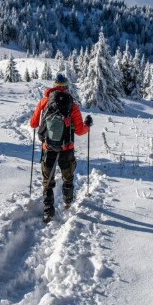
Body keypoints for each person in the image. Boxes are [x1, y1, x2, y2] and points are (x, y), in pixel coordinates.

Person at [30, 73, 93, 222]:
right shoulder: (72, 105)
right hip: (66, 148)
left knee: (48, 181)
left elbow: (33, 124)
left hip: (49, 147)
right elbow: (80, 130)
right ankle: (67, 202)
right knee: (68, 178)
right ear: (66, 87)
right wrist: (88, 125)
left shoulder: (44, 101)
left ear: (54, 85)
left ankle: (48, 212)